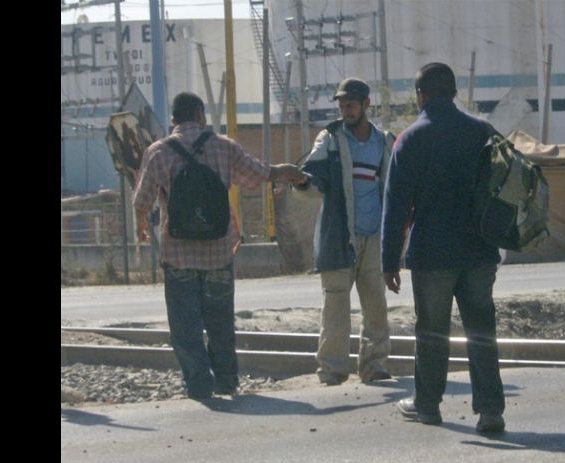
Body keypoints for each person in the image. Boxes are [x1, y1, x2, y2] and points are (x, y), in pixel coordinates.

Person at [132, 92, 306, 399]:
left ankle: (199, 386)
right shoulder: (224, 147)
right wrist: (286, 171)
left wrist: (140, 226)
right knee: (220, 322)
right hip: (219, 252)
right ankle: (226, 381)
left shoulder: (158, 152)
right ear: (200, 115)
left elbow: (142, 200)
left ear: (173, 120)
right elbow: (260, 173)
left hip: (178, 255)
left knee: (185, 329)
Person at [381, 63, 506, 433]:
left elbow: (396, 205)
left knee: (432, 331)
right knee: (481, 329)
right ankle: (490, 411)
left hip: (432, 254)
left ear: (420, 95)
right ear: (453, 93)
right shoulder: (482, 132)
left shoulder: (412, 138)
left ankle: (428, 405)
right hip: (480, 252)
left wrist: (389, 261)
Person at [293, 78, 395, 385]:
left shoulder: (384, 141)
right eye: (341, 105)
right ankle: (332, 370)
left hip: (374, 237)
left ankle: (374, 365)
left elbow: (392, 187)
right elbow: (313, 179)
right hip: (339, 236)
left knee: (375, 304)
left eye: (350, 105)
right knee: (335, 306)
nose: (345, 111)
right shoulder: (331, 138)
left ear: (366, 104)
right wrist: (300, 182)